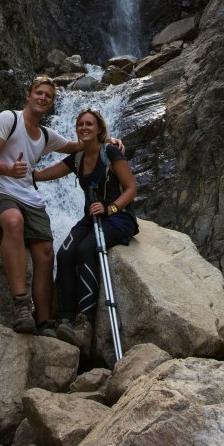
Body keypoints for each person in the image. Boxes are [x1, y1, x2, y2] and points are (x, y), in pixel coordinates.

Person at [0, 76, 124, 337]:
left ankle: (45, 321)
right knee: (13, 221)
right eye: (39, 93)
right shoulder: (7, 119)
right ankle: (21, 306)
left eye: (48, 95)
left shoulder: (46, 135)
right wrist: (9, 170)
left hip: (28, 195)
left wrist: (107, 142)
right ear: (29, 95)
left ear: (51, 103)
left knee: (46, 251)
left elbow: (80, 145)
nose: (43, 98)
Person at [32, 107, 138, 354]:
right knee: (65, 253)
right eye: (80, 125)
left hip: (119, 217)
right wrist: (26, 171)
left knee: (88, 248)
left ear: (100, 128)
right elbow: (44, 174)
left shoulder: (110, 151)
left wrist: (110, 208)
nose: (84, 128)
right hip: (90, 218)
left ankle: (84, 324)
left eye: (89, 124)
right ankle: (66, 320)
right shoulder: (77, 158)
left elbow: (131, 188)